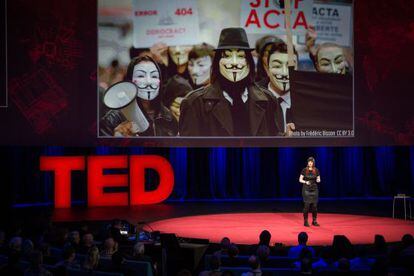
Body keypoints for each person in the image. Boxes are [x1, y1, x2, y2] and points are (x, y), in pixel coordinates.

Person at [180, 27, 280, 136]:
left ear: (249, 62)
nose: (234, 62)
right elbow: (189, 149)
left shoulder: (268, 100)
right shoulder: (194, 103)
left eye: (241, 56)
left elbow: (275, 143)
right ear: (218, 61)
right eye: (227, 56)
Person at [100, 55, 178, 136]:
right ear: (130, 80)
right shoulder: (112, 120)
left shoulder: (168, 118)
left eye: (154, 76)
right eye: (141, 76)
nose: (148, 82)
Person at [261, 40, 298, 135]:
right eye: (277, 66)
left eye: (291, 67)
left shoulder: (307, 102)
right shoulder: (253, 99)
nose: (284, 73)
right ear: (267, 69)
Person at [299, 157, 321, 227]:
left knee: (314, 206)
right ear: (308, 162)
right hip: (306, 189)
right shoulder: (304, 170)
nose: (310, 163)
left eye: (311, 162)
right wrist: (305, 182)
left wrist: (318, 180)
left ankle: (314, 221)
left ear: (313, 163)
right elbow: (300, 180)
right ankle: (305, 221)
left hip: (314, 190)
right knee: (307, 206)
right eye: (309, 162)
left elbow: (319, 179)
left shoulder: (316, 170)